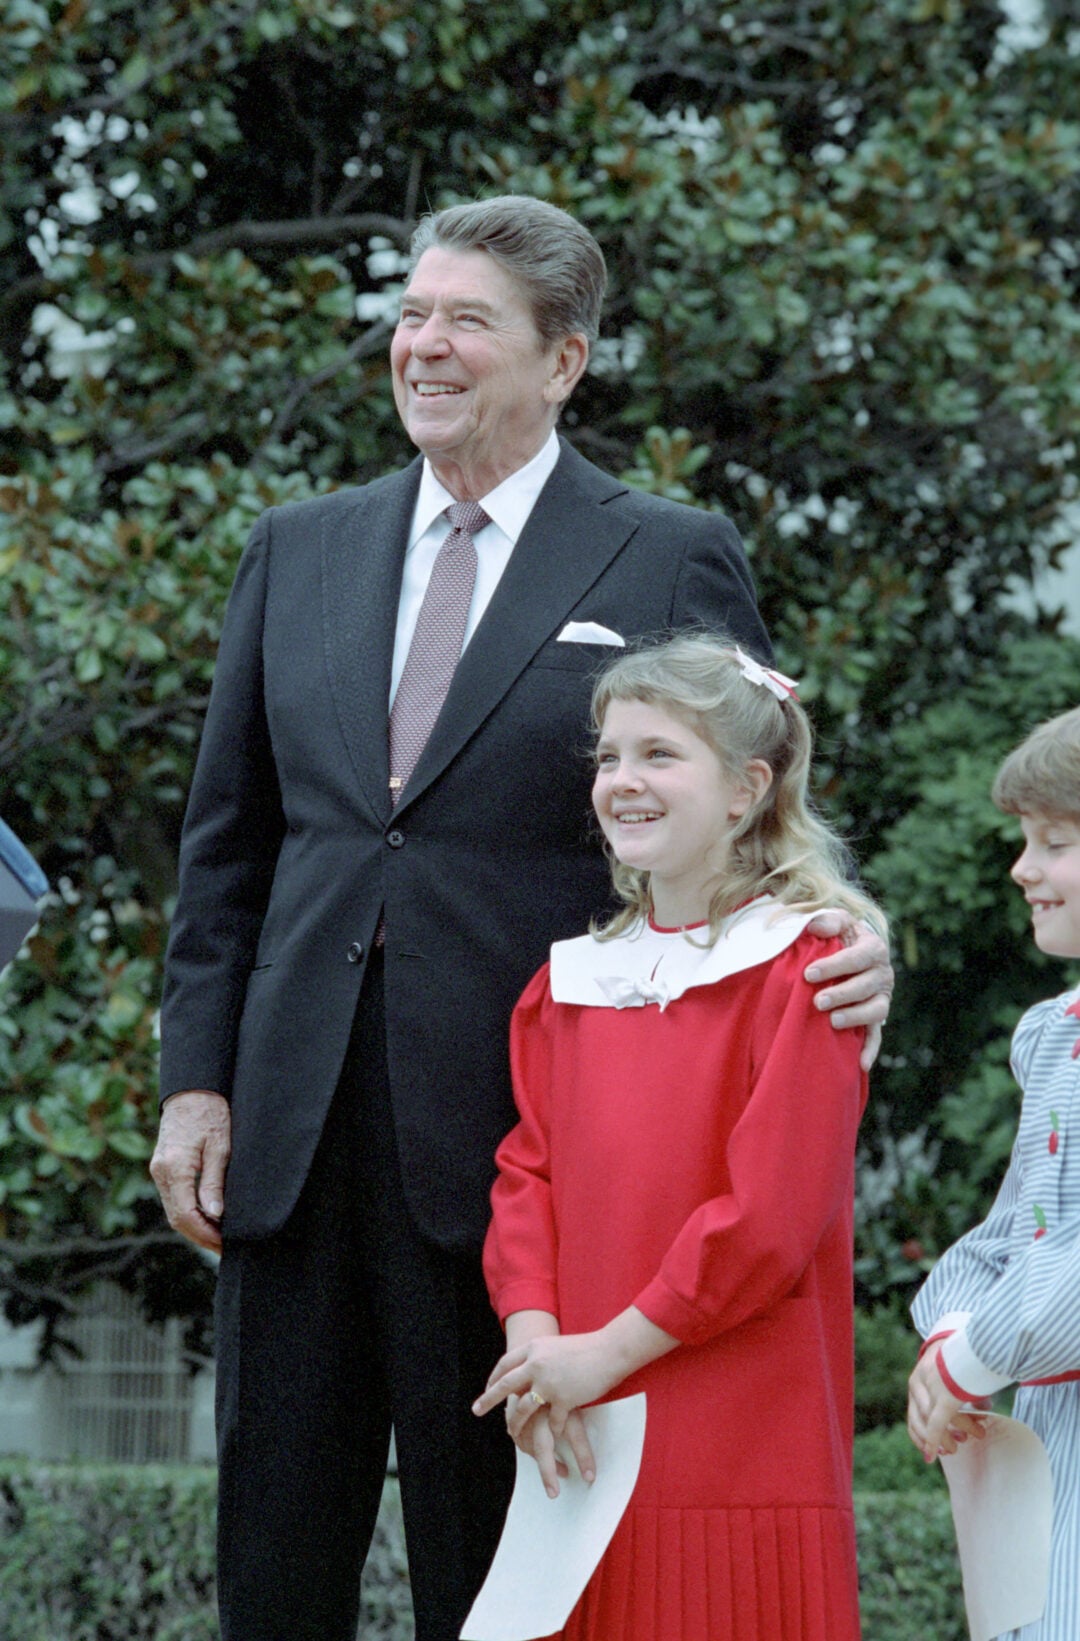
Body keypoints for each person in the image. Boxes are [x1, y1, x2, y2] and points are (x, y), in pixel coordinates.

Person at [150, 194, 892, 1641]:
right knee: (273, 1564)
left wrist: (847, 931)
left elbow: (750, 794)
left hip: (517, 1168)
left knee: (496, 1579)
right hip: (288, 1140)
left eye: (465, 321)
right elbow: (225, 849)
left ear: (563, 360)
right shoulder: (295, 548)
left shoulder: (667, 550)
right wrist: (197, 1081)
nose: (423, 345)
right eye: (413, 315)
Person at [474, 633, 880, 1640]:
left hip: (742, 1437)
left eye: (660, 754)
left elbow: (768, 1224)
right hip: (583, 1427)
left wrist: (599, 1356)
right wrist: (538, 1353)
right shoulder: (565, 983)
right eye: (610, 757)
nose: (623, 781)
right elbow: (527, 1180)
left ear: (747, 789)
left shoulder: (805, 972)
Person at [907, 704, 1080, 1640]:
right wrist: (944, 1340)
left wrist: (973, 1360)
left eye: (1055, 841)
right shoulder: (1053, 1035)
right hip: (1048, 1429)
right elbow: (1012, 1228)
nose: (1023, 867)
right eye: (1026, 840)